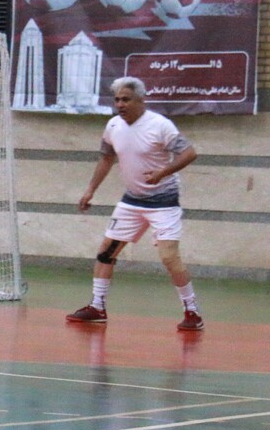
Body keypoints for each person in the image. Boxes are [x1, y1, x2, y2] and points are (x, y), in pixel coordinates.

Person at [66, 76, 203, 331]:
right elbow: (106, 158)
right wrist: (90, 190)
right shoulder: (113, 126)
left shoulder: (160, 125)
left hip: (163, 202)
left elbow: (189, 153)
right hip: (131, 202)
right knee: (106, 252)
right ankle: (97, 306)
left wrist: (162, 173)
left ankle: (192, 311)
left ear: (141, 100)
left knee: (169, 257)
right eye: (117, 99)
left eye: (126, 99)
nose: (120, 104)